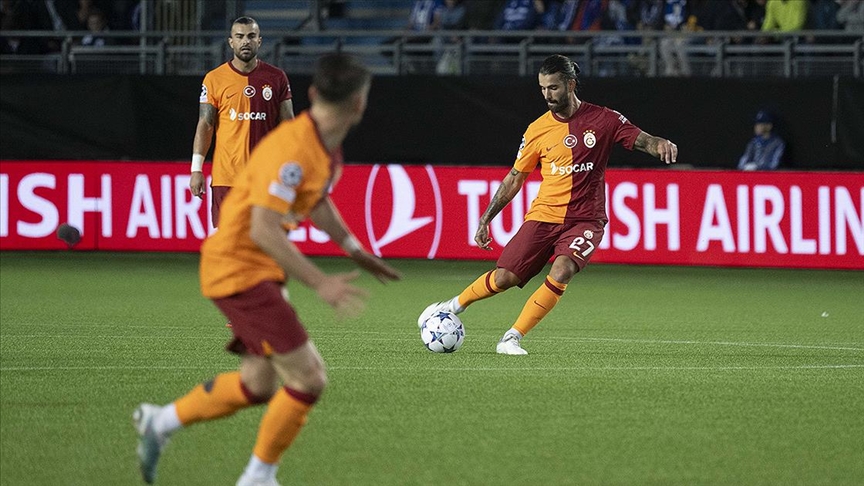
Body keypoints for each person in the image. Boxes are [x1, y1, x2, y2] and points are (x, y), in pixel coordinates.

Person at [133, 53, 401, 486]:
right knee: (309, 378)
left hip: (253, 268)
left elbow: (313, 200)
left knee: (257, 384)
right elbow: (263, 230)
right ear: (360, 105)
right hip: (239, 268)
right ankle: (258, 478)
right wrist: (320, 282)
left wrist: (353, 249)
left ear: (312, 93)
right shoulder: (293, 147)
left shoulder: (321, 144)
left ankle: (159, 422)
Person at [418, 54, 677, 355]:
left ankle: (512, 337)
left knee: (563, 269)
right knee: (505, 277)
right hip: (544, 216)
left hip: (586, 219)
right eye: (542, 89)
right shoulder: (536, 130)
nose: (547, 95)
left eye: (553, 88)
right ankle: (451, 306)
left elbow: (642, 139)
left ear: (570, 84)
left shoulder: (604, 120)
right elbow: (515, 178)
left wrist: (660, 143)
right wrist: (485, 219)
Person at [189, 16, 294, 228]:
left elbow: (288, 126)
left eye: (251, 36)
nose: (245, 41)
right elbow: (206, 124)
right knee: (228, 245)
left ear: (259, 41)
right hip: (227, 177)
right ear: (231, 42)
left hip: (265, 177)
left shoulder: (276, 78)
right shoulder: (214, 79)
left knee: (264, 244)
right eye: (239, 36)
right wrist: (196, 169)